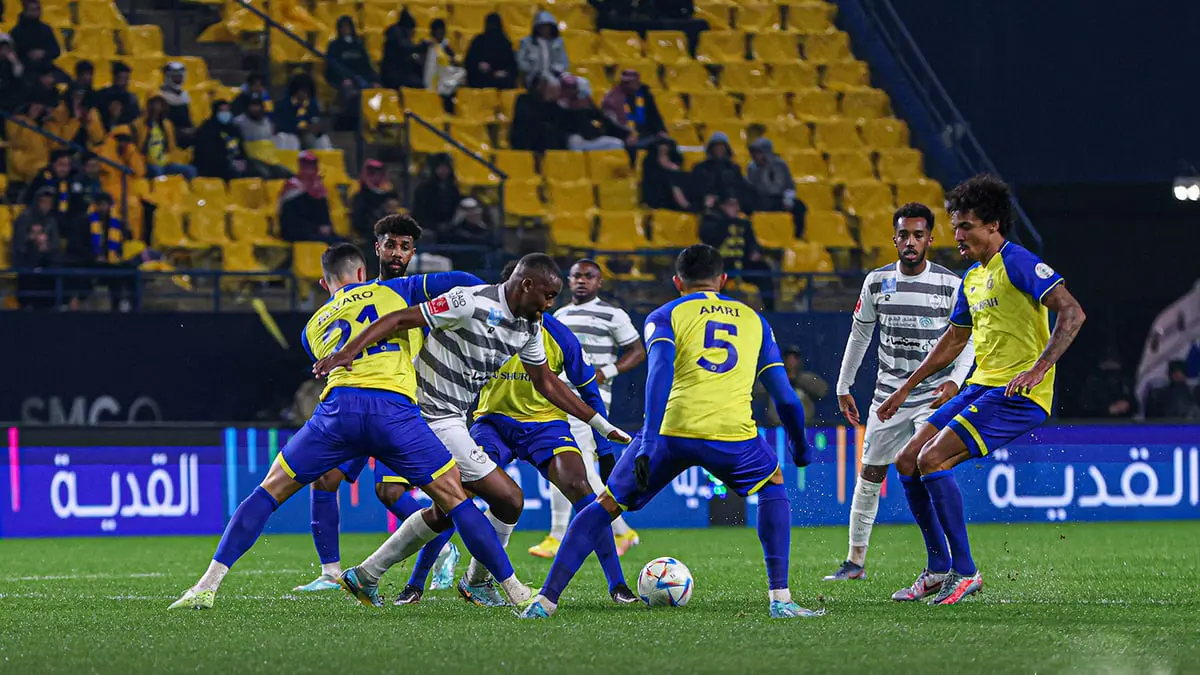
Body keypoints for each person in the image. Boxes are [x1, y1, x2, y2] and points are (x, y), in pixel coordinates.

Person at [168, 243, 532, 610]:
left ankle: (206, 585)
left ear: (326, 284)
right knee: (455, 498)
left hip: (337, 411)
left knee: (268, 491)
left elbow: (327, 355)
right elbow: (448, 289)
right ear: (362, 273)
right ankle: (515, 590)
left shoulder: (312, 326)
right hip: (394, 411)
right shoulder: (393, 291)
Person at [313, 253, 631, 609]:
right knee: (505, 498)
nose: (550, 304)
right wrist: (348, 351)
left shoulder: (529, 327)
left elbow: (547, 383)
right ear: (526, 285)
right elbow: (402, 317)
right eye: (547, 295)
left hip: (451, 417)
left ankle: (368, 573)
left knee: (456, 505)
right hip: (422, 413)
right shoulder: (469, 299)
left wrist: (599, 424)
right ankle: (493, 583)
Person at [517, 244, 817, 620]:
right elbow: (786, 398)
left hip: (670, 430)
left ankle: (545, 602)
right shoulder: (754, 319)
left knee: (604, 506)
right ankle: (781, 599)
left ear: (677, 282)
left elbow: (658, 374)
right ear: (722, 280)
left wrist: (650, 443)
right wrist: (800, 444)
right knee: (772, 483)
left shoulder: (665, 314)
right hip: (731, 433)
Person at [878, 174, 1086, 605]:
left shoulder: (1019, 262)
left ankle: (966, 572)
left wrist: (1039, 368)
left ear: (993, 225)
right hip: (981, 386)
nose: (957, 235)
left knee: (933, 459)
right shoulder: (973, 277)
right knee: (906, 461)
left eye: (966, 226)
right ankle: (938, 569)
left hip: (1017, 393)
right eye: (954, 226)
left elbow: (1072, 313)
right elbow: (953, 341)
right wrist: (904, 391)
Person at [291, 214, 467, 597]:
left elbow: (465, 285)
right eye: (391, 245)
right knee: (325, 478)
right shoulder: (362, 293)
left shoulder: (415, 290)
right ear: (377, 248)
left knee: (390, 493)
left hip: (402, 403)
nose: (397, 252)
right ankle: (330, 570)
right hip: (361, 398)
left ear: (413, 253)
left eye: (405, 247)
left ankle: (443, 546)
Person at [466, 260, 637, 605]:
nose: (547, 304)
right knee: (460, 492)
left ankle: (617, 585)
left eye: (551, 297)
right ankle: (422, 581)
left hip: (546, 424)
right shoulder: (483, 323)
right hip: (493, 423)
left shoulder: (557, 333)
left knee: (582, 489)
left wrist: (604, 448)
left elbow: (588, 390)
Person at [823, 203, 974, 582]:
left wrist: (956, 380)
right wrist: (844, 385)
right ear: (894, 238)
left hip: (932, 397)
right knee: (870, 473)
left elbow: (967, 340)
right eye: (904, 235)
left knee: (929, 464)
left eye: (918, 235)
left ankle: (950, 563)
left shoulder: (950, 285)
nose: (910, 242)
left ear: (930, 240)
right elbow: (860, 335)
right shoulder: (876, 282)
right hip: (888, 397)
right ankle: (855, 561)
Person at [529, 258, 645, 560]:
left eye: (588, 276)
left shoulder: (612, 314)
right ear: (568, 281)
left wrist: (608, 371)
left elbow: (637, 350)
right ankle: (622, 530)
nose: (582, 280)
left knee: (566, 464)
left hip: (590, 400)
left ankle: (557, 536)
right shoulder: (561, 314)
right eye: (576, 276)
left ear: (599, 282)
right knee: (579, 470)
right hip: (559, 397)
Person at [698, 194, 773, 310]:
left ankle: (770, 310)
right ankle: (717, 310)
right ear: (722, 206)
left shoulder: (743, 223)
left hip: (743, 264)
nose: (736, 208)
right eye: (732, 205)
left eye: (737, 204)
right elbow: (706, 238)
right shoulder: (712, 220)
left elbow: (753, 242)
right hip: (721, 265)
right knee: (713, 276)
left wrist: (755, 251)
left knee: (763, 268)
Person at [11, 186, 62, 309]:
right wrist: (31, 238)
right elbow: (18, 244)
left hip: (46, 273)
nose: (46, 205)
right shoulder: (25, 218)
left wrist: (46, 246)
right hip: (27, 271)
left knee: (46, 305)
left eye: (49, 202)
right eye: (43, 201)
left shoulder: (51, 221)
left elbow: (55, 246)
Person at [324, 15, 377, 131]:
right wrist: (342, 79)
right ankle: (353, 123)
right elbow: (332, 68)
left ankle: (373, 123)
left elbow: (367, 66)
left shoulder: (359, 45)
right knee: (350, 91)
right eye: (343, 27)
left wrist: (374, 80)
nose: (346, 29)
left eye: (348, 27)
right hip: (342, 79)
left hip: (361, 79)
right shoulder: (334, 46)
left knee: (375, 90)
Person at [560, 74, 629, 151]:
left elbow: (606, 122)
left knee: (616, 143)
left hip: (590, 142)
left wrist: (626, 135)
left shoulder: (590, 109)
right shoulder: (560, 109)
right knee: (574, 140)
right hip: (569, 146)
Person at [133, 95, 196, 180]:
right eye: (154, 104)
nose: (157, 107)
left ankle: (188, 192)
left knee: (190, 170)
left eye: (159, 104)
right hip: (146, 163)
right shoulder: (138, 124)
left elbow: (172, 147)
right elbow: (136, 148)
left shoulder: (167, 125)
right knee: (157, 171)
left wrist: (169, 158)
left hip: (165, 163)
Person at [278, 151, 336, 243]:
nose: (310, 169)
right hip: (295, 230)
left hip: (314, 230)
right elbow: (290, 217)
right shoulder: (292, 185)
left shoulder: (318, 187)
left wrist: (325, 224)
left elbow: (322, 213)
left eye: (312, 165)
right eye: (306, 165)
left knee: (343, 242)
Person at [601, 69, 666, 144]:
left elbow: (653, 113)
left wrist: (660, 130)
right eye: (625, 82)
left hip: (645, 134)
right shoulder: (611, 99)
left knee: (667, 143)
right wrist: (627, 135)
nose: (628, 84)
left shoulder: (644, 93)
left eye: (631, 82)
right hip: (622, 137)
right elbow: (611, 123)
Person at [747, 137, 802, 225]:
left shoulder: (781, 165)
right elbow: (752, 188)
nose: (756, 156)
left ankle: (798, 234)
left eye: (759, 153)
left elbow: (789, 186)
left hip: (780, 199)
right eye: (754, 153)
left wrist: (788, 198)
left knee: (799, 206)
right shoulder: (752, 167)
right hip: (762, 199)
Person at [193, 99, 251, 181]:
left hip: (234, 162)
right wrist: (229, 162)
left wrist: (242, 160)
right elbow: (206, 152)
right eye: (221, 110)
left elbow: (241, 147)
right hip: (213, 165)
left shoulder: (233, 128)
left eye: (227, 110)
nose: (225, 113)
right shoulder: (207, 128)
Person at [691, 131, 748, 210]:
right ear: (710, 148)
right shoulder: (700, 168)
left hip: (730, 206)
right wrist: (705, 198)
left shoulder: (734, 168)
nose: (718, 149)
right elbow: (694, 189)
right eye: (716, 146)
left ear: (726, 148)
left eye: (721, 146)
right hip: (706, 206)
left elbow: (740, 189)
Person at [275, 74, 333, 151]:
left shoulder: (312, 104)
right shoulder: (283, 105)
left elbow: (315, 121)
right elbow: (281, 127)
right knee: (291, 140)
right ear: (295, 90)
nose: (304, 95)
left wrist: (317, 129)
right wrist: (301, 128)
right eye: (302, 91)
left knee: (323, 139)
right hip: (289, 136)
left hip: (307, 136)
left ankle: (325, 161)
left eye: (307, 92)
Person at [509, 75, 566, 152]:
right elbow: (526, 119)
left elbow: (557, 121)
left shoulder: (553, 103)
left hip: (544, 137)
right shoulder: (523, 99)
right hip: (525, 135)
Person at [6, 95, 53, 184]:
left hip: (39, 171)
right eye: (35, 105)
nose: (38, 108)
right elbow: (18, 142)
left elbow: (54, 145)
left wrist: (48, 123)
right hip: (20, 174)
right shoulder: (17, 121)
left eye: (41, 106)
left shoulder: (42, 126)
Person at [411, 153, 461, 235]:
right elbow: (419, 213)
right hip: (428, 228)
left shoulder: (453, 188)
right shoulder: (424, 188)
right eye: (441, 167)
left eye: (446, 168)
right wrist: (435, 226)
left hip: (449, 227)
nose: (444, 171)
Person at [465, 12, 518, 90]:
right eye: (490, 25)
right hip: (481, 76)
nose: (492, 28)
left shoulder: (505, 42)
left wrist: (504, 72)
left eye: (494, 25)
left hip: (500, 78)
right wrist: (478, 65)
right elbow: (469, 60)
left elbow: (512, 65)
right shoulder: (479, 40)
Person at [1076, 353, 1137, 418]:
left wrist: (1128, 406)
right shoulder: (1093, 383)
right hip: (1098, 424)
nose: (1113, 377)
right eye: (1109, 372)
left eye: (1115, 373)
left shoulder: (1126, 382)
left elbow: (1139, 405)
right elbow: (1083, 407)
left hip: (1125, 423)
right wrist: (1107, 409)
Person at [516, 11, 568, 87]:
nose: (545, 29)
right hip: (533, 77)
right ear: (536, 27)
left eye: (547, 26)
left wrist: (557, 70)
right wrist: (531, 68)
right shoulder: (526, 42)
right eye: (542, 26)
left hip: (554, 75)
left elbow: (564, 62)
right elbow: (520, 61)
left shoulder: (558, 43)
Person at [350, 159, 396, 241]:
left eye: (381, 174)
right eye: (374, 173)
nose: (379, 177)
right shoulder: (361, 196)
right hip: (369, 237)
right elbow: (358, 222)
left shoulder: (389, 195)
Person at [10, 0, 60, 75]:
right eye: (33, 10)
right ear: (25, 11)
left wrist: (44, 53)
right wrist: (29, 55)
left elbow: (56, 50)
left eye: (38, 9)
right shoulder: (16, 32)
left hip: (46, 68)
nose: (37, 12)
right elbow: (13, 54)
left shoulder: (46, 29)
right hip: (25, 70)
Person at [640, 137, 691, 211]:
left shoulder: (675, 158)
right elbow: (649, 180)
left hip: (672, 195)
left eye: (666, 146)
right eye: (661, 146)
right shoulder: (649, 161)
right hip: (656, 193)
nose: (664, 148)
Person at [380, 9, 425, 90]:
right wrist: (420, 47)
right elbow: (404, 48)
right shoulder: (395, 34)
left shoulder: (402, 37)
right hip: (393, 75)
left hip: (402, 72)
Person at [423, 18, 464, 98]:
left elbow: (454, 60)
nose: (442, 34)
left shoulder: (445, 46)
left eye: (443, 31)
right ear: (433, 32)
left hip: (443, 76)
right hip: (431, 78)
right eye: (440, 31)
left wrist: (451, 60)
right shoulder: (426, 45)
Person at [159, 61, 196, 148]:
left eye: (180, 76)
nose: (178, 80)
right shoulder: (160, 96)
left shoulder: (185, 95)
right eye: (175, 77)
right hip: (169, 135)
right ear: (167, 77)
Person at [97, 61, 140, 128]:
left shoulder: (132, 99)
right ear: (114, 78)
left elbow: (135, 119)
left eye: (126, 78)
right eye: (120, 78)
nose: (123, 82)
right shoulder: (102, 95)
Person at [0, 32, 24, 113]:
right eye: (2, 48)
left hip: (9, 98)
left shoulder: (10, 62)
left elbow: (18, 74)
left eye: (7, 49)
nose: (4, 52)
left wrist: (14, 62)